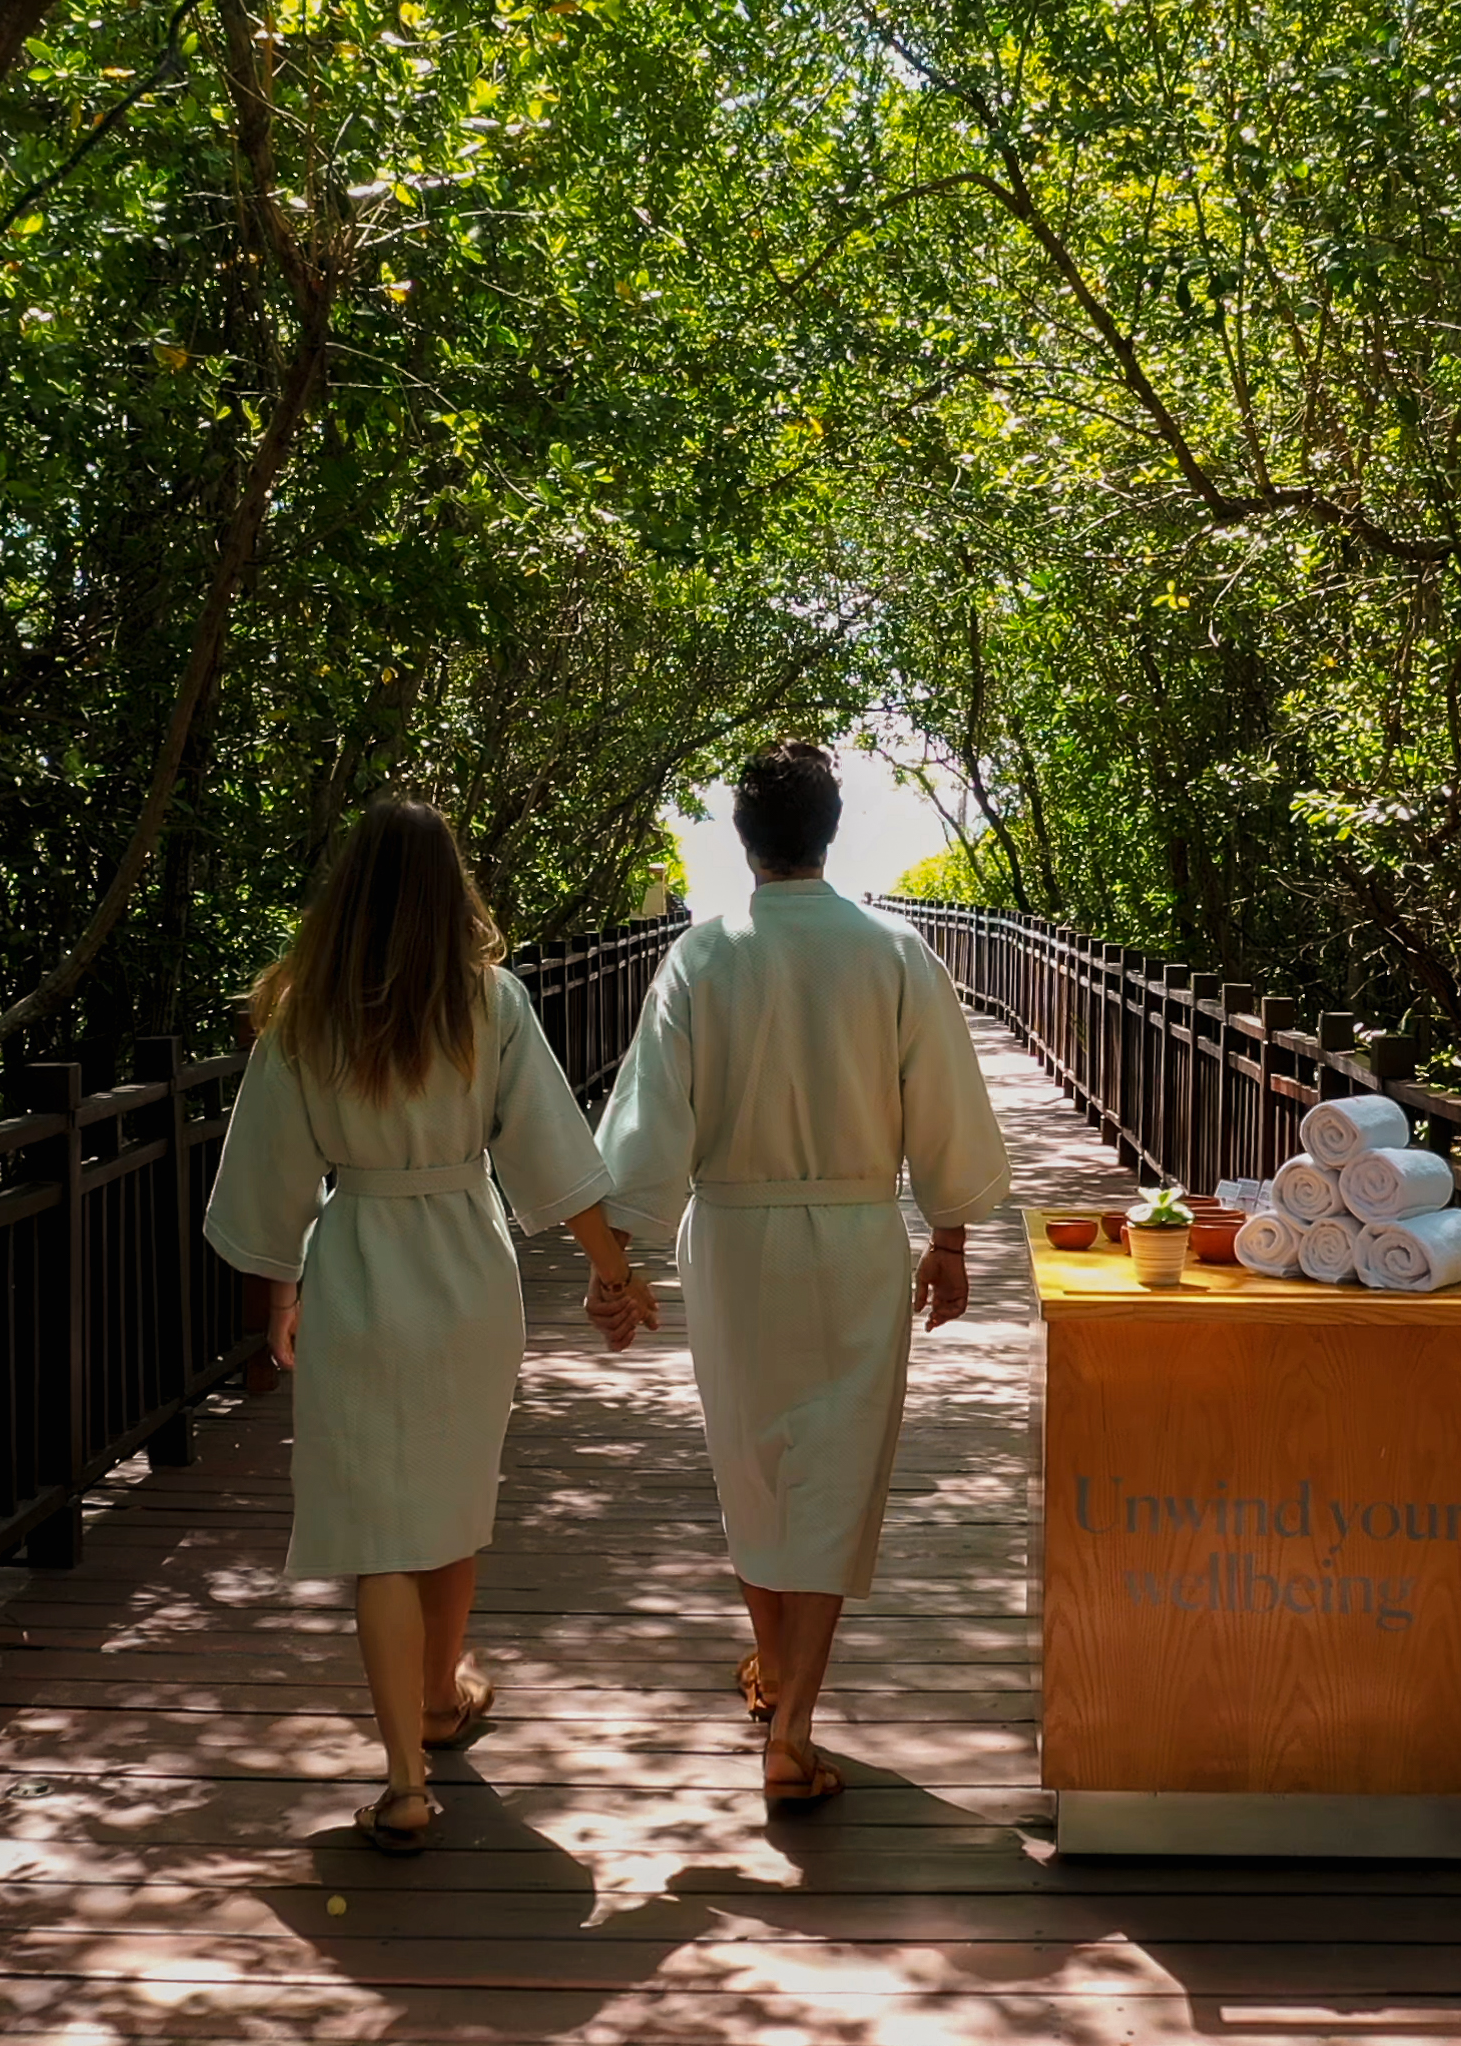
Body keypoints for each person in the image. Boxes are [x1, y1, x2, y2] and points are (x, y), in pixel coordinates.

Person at [202, 800, 646, 1853]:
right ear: (453, 891)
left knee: (378, 1533)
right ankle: (442, 1697)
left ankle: (407, 1775)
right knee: (453, 1495)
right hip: (466, 1267)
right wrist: (614, 1270)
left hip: (358, 1263)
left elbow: (270, 1178)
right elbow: (550, 1148)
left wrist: (281, 1296)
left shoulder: (306, 1016)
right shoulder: (488, 1001)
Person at [590, 742, 1012, 1804]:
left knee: (751, 1465)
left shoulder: (703, 955)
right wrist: (950, 1239)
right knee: (836, 1473)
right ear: (831, 832)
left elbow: (649, 1123)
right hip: (856, 1235)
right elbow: (946, 1110)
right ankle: (794, 1722)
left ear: (744, 841)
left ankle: (776, 1673)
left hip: (733, 1238)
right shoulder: (894, 951)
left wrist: (618, 1260)